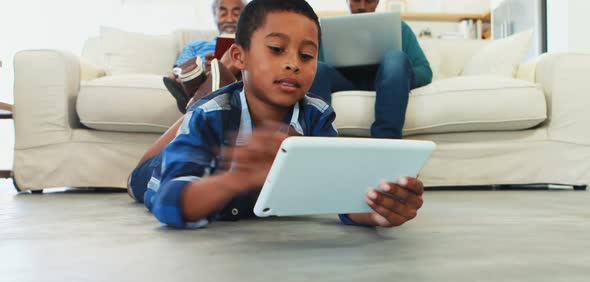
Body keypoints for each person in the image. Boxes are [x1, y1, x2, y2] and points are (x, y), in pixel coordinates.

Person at [128, 0, 425, 230]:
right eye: (276, 49)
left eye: (307, 56)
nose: (293, 64)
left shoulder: (317, 115)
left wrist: (379, 211)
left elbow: (339, 194)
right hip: (156, 172)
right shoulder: (212, 117)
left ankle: (209, 91)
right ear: (240, 56)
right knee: (141, 172)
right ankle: (202, 97)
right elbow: (168, 202)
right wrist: (235, 180)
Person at [309, 0, 433, 139]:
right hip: (343, 81)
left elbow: (425, 71)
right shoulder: (329, 31)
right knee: (317, 68)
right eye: (356, 0)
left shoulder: (399, 28)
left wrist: (401, 75)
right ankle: (319, 140)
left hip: (390, 81)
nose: (362, 6)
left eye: (369, 1)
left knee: (396, 59)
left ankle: (386, 140)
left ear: (377, 2)